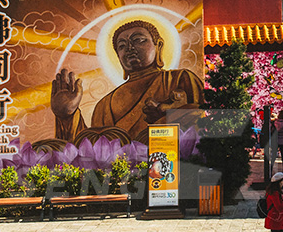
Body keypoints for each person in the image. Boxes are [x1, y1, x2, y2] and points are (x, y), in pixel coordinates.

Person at [51, 20, 204, 144]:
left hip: (165, 172)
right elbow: (90, 152)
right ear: (118, 56)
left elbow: (204, 126)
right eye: (122, 46)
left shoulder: (178, 80)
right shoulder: (104, 105)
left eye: (138, 40)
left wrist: (167, 118)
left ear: (159, 45)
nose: (130, 48)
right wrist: (67, 116)